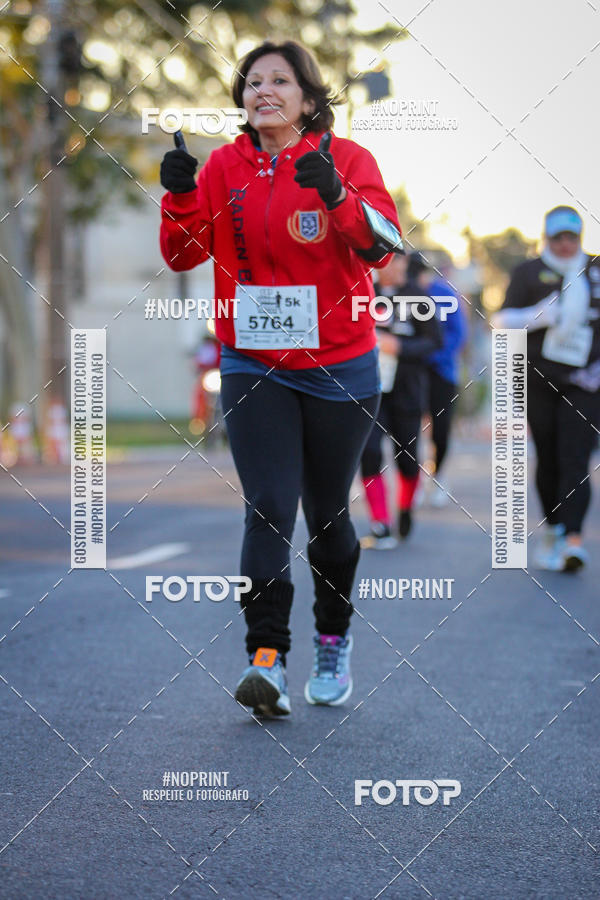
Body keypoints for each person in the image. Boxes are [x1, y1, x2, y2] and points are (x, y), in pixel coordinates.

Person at [159, 40, 402, 715]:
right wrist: (179, 195)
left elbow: (382, 244)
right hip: (253, 358)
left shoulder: (349, 159)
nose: (263, 90)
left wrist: (335, 194)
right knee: (268, 505)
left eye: (280, 80)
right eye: (252, 82)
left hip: (340, 366)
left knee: (327, 518)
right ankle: (266, 658)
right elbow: (183, 253)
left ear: (309, 97)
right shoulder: (223, 167)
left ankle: (332, 638)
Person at [493, 205, 600, 572]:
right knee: (550, 457)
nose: (566, 244)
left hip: (586, 382)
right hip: (538, 381)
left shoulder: (595, 270)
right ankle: (553, 529)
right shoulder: (527, 272)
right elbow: (501, 321)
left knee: (575, 457)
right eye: (559, 238)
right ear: (547, 238)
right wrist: (538, 314)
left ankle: (573, 540)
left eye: (572, 237)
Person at [360, 252, 442, 548]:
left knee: (407, 458)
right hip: (370, 388)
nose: (398, 268)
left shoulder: (418, 297)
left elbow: (435, 342)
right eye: (392, 262)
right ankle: (380, 523)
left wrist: (400, 346)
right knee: (368, 452)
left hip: (407, 388)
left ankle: (405, 509)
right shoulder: (364, 292)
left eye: (402, 263)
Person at [421, 258, 468, 507]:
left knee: (440, 429)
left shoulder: (444, 293)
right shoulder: (404, 293)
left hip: (442, 373)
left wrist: (430, 354)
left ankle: (437, 476)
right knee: (409, 428)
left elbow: (459, 334)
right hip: (412, 373)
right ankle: (415, 478)